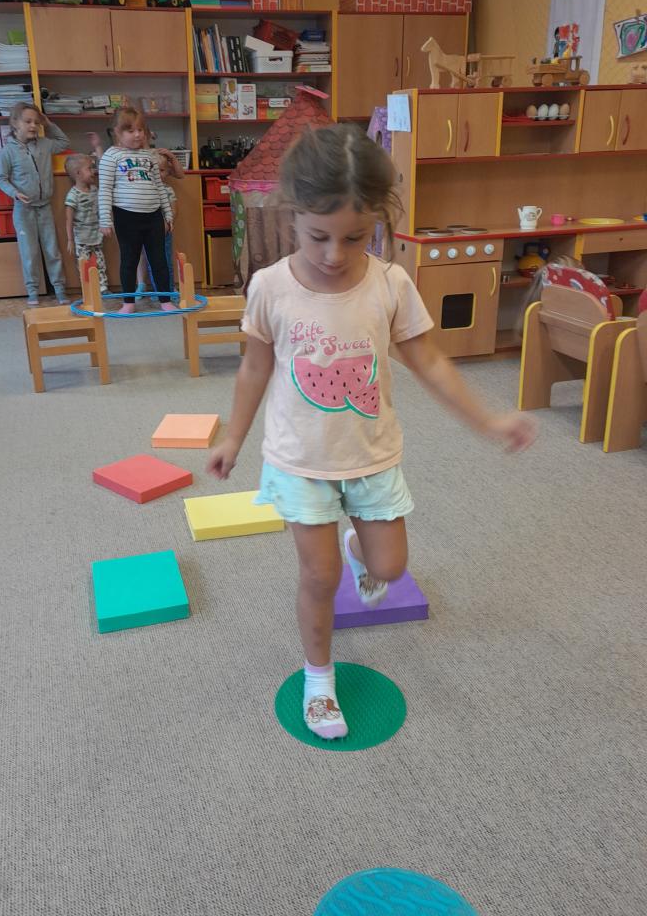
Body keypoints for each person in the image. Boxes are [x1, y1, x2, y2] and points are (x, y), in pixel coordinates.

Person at [206, 124, 537, 741]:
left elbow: (430, 362)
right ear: (292, 214)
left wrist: (490, 420)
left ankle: (359, 548)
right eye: (318, 236)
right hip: (300, 459)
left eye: (355, 237)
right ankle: (319, 678)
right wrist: (232, 438)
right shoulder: (270, 287)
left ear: (378, 222)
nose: (334, 254)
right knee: (320, 576)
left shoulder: (390, 284)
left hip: (372, 456)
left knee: (390, 564)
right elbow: (254, 369)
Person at [96, 107, 175, 314]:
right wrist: (105, 219)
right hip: (126, 217)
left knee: (159, 260)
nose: (138, 135)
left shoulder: (150, 156)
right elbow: (105, 190)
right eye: (130, 131)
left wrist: (167, 214)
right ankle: (128, 302)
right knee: (129, 260)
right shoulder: (111, 156)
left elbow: (159, 187)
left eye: (140, 130)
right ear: (117, 132)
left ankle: (165, 300)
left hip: (153, 216)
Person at [0, 102, 70, 306]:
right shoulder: (7, 152)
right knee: (29, 252)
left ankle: (59, 289)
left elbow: (63, 142)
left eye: (36, 122)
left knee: (52, 249)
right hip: (23, 210)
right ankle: (33, 291)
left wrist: (48, 123)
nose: (33, 126)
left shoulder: (45, 144)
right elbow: (1, 178)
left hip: (44, 207)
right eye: (28, 121)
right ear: (14, 123)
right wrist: (15, 193)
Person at [136, 149, 182, 294]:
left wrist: (168, 224)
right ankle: (158, 291)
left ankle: (169, 288)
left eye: (161, 170)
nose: (156, 173)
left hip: (164, 230)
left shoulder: (168, 190)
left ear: (167, 173)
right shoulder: (144, 190)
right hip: (147, 229)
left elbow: (174, 210)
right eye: (153, 169)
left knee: (166, 260)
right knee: (151, 261)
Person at [64, 154, 111, 293]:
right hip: (82, 239)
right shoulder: (73, 195)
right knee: (84, 266)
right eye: (89, 168)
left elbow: (102, 208)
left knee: (100, 263)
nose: (93, 171)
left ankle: (103, 289)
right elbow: (68, 219)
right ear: (78, 173)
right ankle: (89, 290)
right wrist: (70, 240)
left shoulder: (95, 190)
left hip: (96, 237)